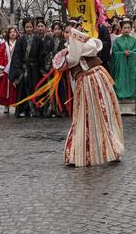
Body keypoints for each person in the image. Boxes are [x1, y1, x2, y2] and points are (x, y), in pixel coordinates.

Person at [37, 20, 124, 166]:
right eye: (66, 32)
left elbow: (82, 54)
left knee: (103, 113)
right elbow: (64, 63)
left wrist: (72, 45)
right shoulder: (68, 48)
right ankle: (80, 153)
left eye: (71, 32)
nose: (68, 35)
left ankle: (110, 148)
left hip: (93, 78)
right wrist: (67, 51)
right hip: (83, 82)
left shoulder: (86, 43)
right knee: (84, 116)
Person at [10, 19, 44, 118]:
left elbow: (41, 55)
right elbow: (16, 56)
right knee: (23, 89)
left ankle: (36, 109)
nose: (29, 29)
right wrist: (18, 71)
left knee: (35, 88)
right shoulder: (20, 40)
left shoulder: (38, 40)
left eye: (30, 27)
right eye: (27, 27)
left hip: (35, 68)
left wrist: (42, 68)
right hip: (24, 68)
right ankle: (23, 109)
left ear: (33, 27)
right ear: (24, 28)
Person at [111, 19, 136, 103]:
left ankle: (133, 94)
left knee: (132, 77)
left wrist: (131, 53)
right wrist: (122, 53)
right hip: (121, 65)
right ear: (121, 29)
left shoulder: (134, 40)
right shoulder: (117, 40)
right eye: (125, 28)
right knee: (121, 78)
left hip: (132, 64)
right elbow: (114, 53)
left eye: (128, 28)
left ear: (131, 29)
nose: (127, 29)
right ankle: (121, 94)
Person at [0, 26, 20, 113]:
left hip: (16, 68)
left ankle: (17, 105)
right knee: (5, 88)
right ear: (8, 34)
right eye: (11, 32)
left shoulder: (19, 43)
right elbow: (0, 56)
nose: (13, 33)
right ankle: (6, 105)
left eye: (14, 32)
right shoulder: (4, 45)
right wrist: (2, 66)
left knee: (16, 88)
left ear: (17, 33)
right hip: (6, 69)